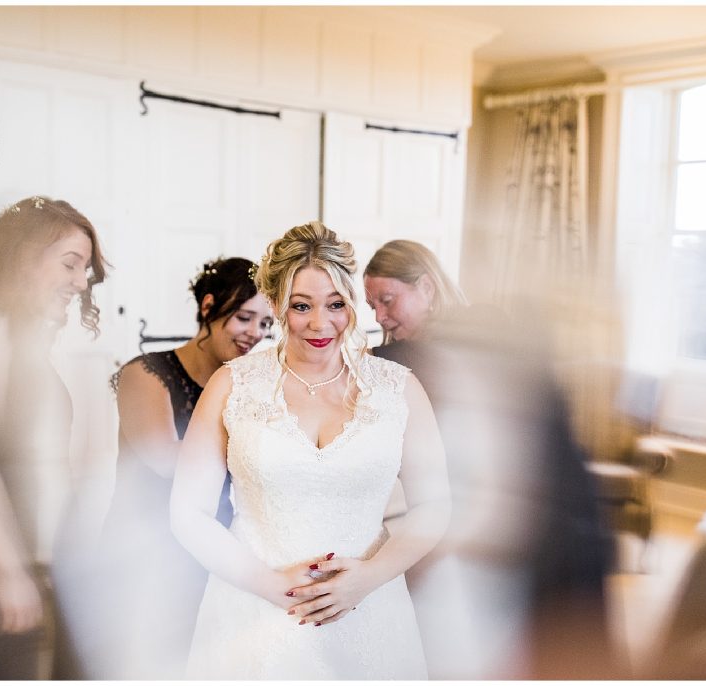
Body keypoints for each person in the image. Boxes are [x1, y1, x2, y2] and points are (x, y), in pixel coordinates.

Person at [169, 221, 451, 679]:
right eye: (302, 306)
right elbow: (187, 512)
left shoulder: (398, 389)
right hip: (251, 610)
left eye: (335, 304)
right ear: (278, 304)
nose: (321, 324)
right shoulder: (232, 385)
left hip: (370, 613)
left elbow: (435, 505)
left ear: (351, 304)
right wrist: (273, 586)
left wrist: (368, 578)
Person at [363, 240, 617, 679]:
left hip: (545, 526)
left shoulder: (483, 330)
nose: (382, 317)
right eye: (372, 307)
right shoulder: (398, 358)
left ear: (426, 286)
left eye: (388, 301)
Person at [0, 195, 107, 679]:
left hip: (41, 553)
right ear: (25, 257)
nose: (80, 281)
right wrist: (5, 570)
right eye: (70, 264)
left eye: (85, 269)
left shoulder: (25, 334)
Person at [87, 257, 273, 678]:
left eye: (265, 324)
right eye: (245, 318)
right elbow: (164, 459)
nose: (255, 335)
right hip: (143, 554)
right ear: (208, 307)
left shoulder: (249, 386)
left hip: (215, 548)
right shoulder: (146, 373)